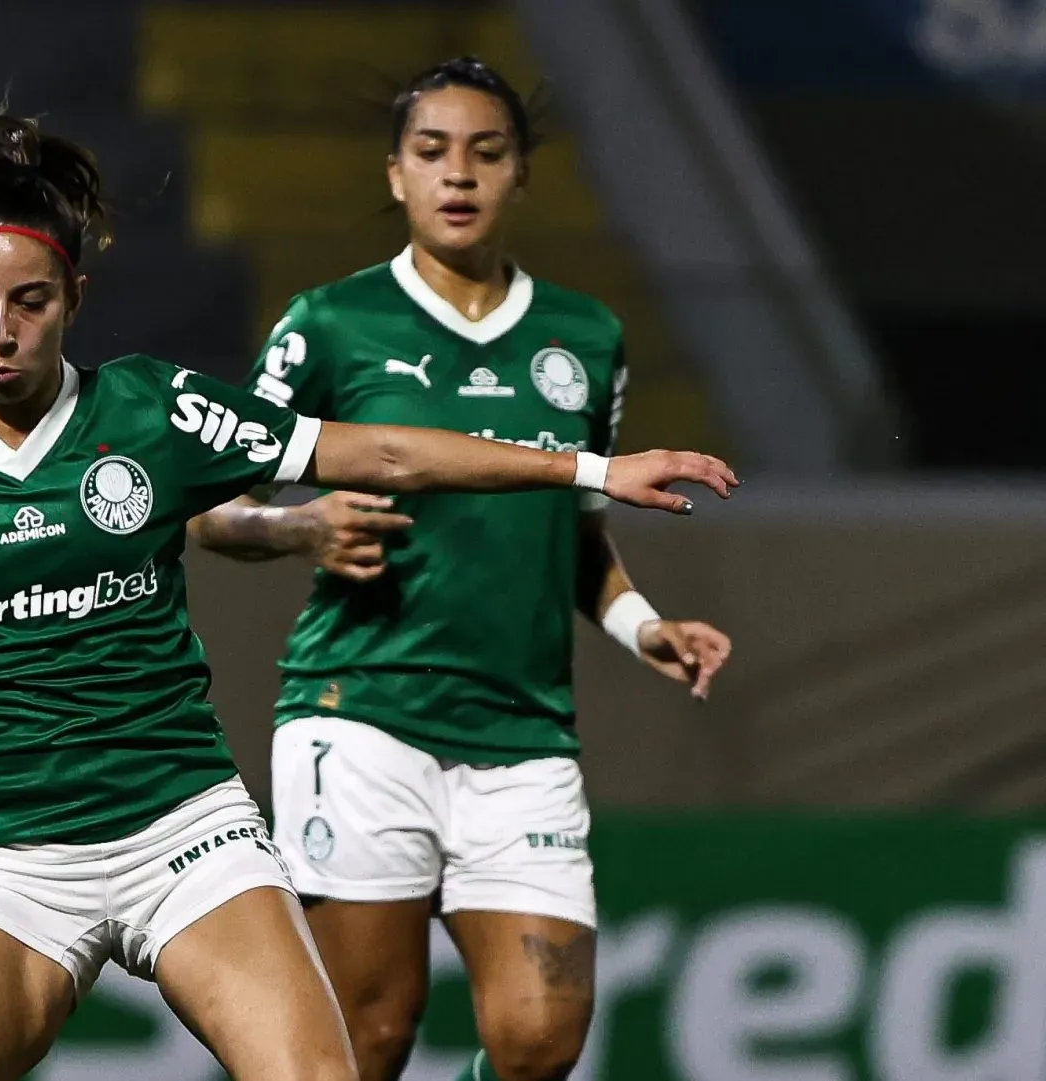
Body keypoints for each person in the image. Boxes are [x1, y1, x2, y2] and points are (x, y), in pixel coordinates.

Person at [0, 112, 736, 1081]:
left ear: (72, 293)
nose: (1, 332)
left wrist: (590, 468)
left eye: (32, 302)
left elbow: (375, 453)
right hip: (3, 846)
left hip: (181, 828)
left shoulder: (154, 413)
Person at [188, 57, 736, 1081]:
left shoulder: (588, 336)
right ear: (395, 174)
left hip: (523, 727)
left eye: (487, 152)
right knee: (371, 1036)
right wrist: (300, 530)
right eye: (432, 152)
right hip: (362, 711)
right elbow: (212, 511)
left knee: (540, 1036)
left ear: (522, 174)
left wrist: (641, 626)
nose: (459, 175)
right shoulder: (328, 324)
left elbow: (573, 533)